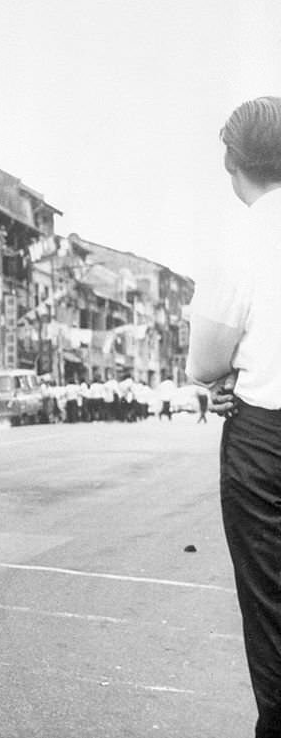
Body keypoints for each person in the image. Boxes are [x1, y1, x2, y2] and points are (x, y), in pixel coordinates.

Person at [186, 96, 281, 737]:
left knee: (274, 606)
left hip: (268, 438)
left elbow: (205, 360)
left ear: (232, 162)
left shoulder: (242, 239)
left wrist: (225, 378)